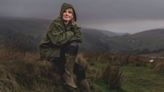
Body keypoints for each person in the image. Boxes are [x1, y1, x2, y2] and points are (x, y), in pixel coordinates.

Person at [39, 3, 90, 92]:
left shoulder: (72, 25)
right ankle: (67, 76)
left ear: (73, 15)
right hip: (49, 51)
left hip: (61, 52)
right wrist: (71, 33)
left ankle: (87, 90)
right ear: (61, 13)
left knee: (80, 70)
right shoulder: (56, 24)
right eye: (65, 11)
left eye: (70, 12)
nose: (67, 14)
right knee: (72, 47)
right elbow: (57, 40)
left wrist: (73, 27)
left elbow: (79, 38)